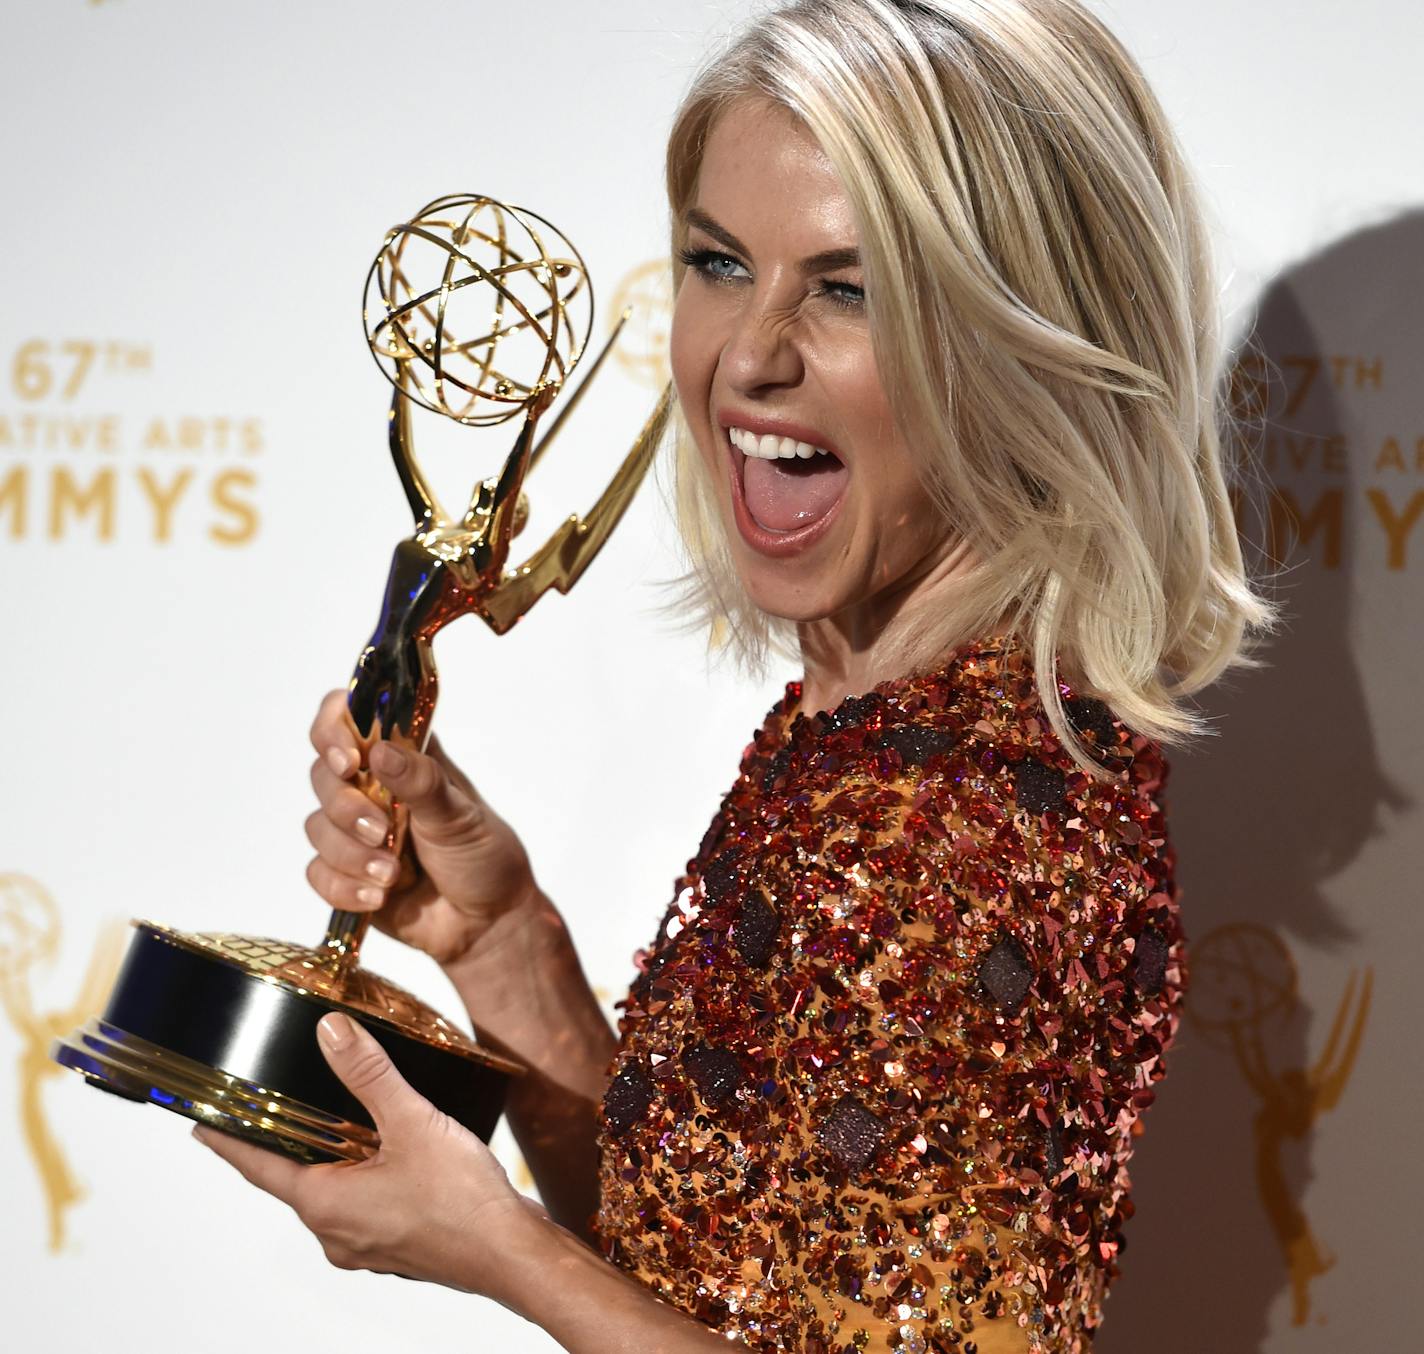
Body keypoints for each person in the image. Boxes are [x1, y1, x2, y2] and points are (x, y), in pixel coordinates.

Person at [195, 2, 1277, 1350]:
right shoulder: (876, 730)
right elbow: (730, 1275)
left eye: (848, 286)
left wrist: (497, 1247)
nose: (748, 357)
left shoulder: (961, 826)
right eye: (719, 263)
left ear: (1020, 337)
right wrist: (505, 942)